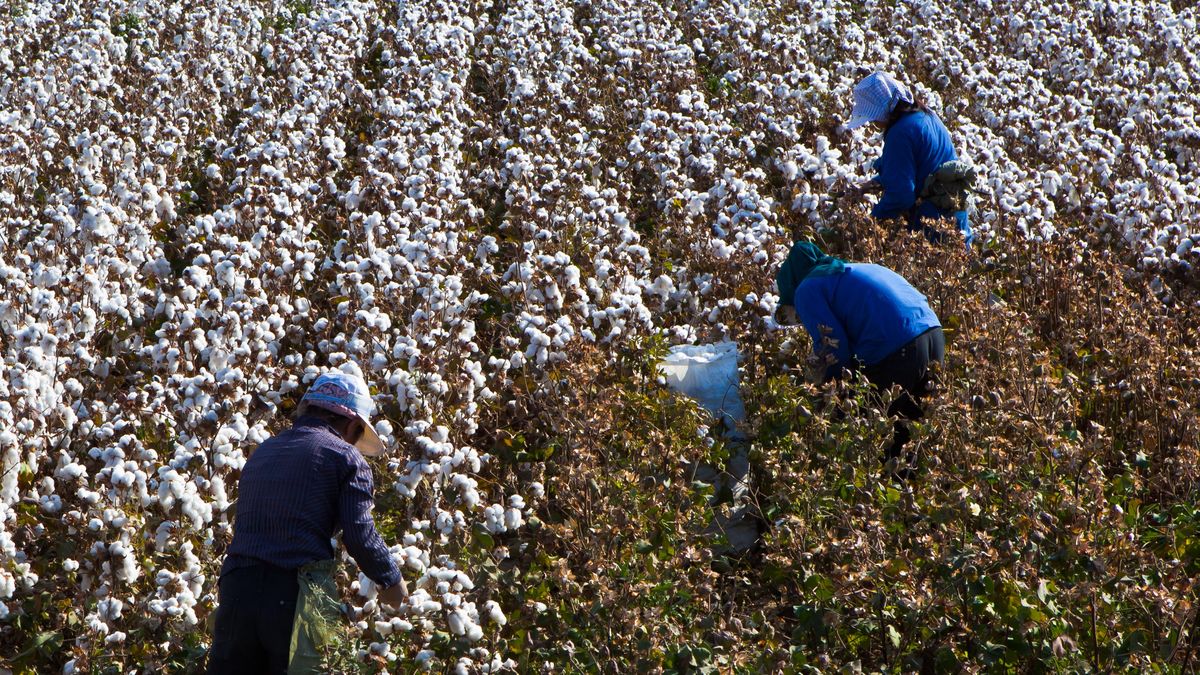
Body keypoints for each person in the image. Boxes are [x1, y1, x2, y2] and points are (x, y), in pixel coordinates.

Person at [207, 370, 408, 674]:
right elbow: (359, 534)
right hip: (291, 594)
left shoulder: (263, 452)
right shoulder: (346, 458)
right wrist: (390, 579)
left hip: (237, 590)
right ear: (354, 425)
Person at [776, 241, 944, 467]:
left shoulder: (805, 289)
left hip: (897, 348)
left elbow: (833, 346)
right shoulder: (855, 270)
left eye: (791, 316)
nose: (797, 321)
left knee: (871, 431)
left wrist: (827, 391)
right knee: (910, 438)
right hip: (933, 335)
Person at [846, 71, 973, 247]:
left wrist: (869, 225)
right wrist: (875, 183)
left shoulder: (900, 133)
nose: (872, 123)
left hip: (932, 230)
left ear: (882, 110)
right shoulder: (926, 115)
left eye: (872, 117)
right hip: (955, 220)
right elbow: (921, 166)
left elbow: (901, 195)